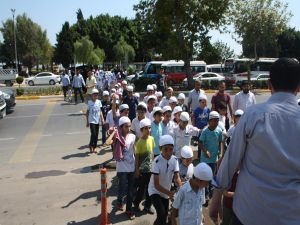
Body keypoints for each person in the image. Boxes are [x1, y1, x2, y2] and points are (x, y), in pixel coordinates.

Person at [209, 58, 300, 225]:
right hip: (291, 215)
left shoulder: (252, 115)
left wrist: (215, 200)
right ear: (298, 86)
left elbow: (231, 160)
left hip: (249, 212)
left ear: (269, 84)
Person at [148, 135, 182, 225]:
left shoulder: (174, 160)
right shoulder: (156, 162)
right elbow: (156, 185)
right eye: (165, 149)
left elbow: (177, 177)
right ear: (160, 148)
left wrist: (182, 189)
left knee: (165, 216)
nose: (168, 152)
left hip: (166, 192)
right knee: (161, 214)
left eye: (170, 149)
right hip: (154, 191)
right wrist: (170, 193)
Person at [113, 116, 136, 220]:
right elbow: (107, 142)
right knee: (122, 188)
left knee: (130, 190)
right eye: (126, 127)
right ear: (121, 127)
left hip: (131, 166)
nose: (128, 128)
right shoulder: (116, 137)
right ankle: (119, 201)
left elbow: (135, 149)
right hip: (122, 168)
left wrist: (137, 165)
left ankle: (129, 209)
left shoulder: (132, 136)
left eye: (129, 126)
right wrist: (114, 132)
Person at [199, 111, 224, 201]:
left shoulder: (219, 131)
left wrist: (221, 153)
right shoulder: (205, 131)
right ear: (209, 121)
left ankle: (211, 191)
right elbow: (200, 143)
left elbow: (221, 141)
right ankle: (205, 194)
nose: (216, 123)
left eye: (217, 121)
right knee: (205, 175)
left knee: (212, 175)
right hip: (205, 159)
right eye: (214, 121)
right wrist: (205, 152)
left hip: (214, 159)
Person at [133, 118, 155, 214]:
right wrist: (137, 170)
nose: (148, 130)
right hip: (142, 171)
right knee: (141, 190)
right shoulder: (139, 143)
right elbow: (137, 157)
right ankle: (136, 203)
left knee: (150, 189)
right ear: (141, 130)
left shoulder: (152, 139)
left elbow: (152, 153)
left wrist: (154, 165)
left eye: (149, 128)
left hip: (150, 169)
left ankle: (147, 206)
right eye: (146, 128)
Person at [86, 89, 104, 153]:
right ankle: (91, 145)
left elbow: (100, 111)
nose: (96, 95)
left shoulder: (99, 102)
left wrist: (102, 119)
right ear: (92, 95)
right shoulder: (89, 102)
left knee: (96, 134)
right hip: (91, 121)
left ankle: (95, 147)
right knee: (93, 134)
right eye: (94, 94)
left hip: (97, 120)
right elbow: (87, 112)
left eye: (97, 94)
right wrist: (87, 121)